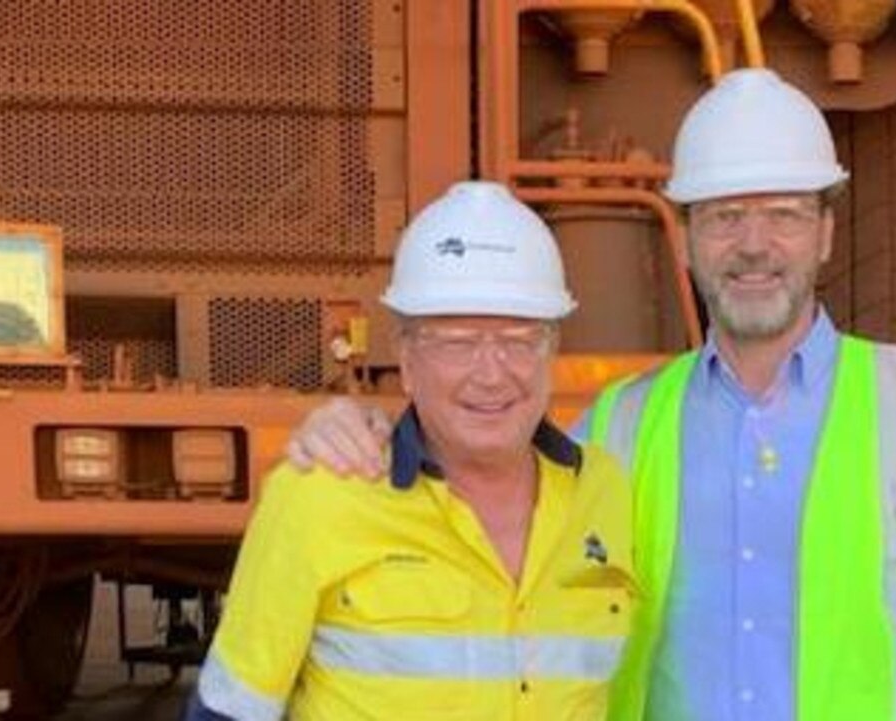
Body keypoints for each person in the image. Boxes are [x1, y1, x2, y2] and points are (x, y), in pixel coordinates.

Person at [287, 69, 896, 720]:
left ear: (826, 234)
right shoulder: (623, 420)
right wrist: (363, 430)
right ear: (683, 241)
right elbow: (478, 495)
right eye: (724, 217)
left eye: (783, 215)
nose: (753, 246)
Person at [187, 181, 637, 721]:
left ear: (551, 352)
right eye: (457, 343)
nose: (491, 374)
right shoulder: (320, 497)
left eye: (519, 339)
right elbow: (229, 712)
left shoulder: (607, 491)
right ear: (405, 357)